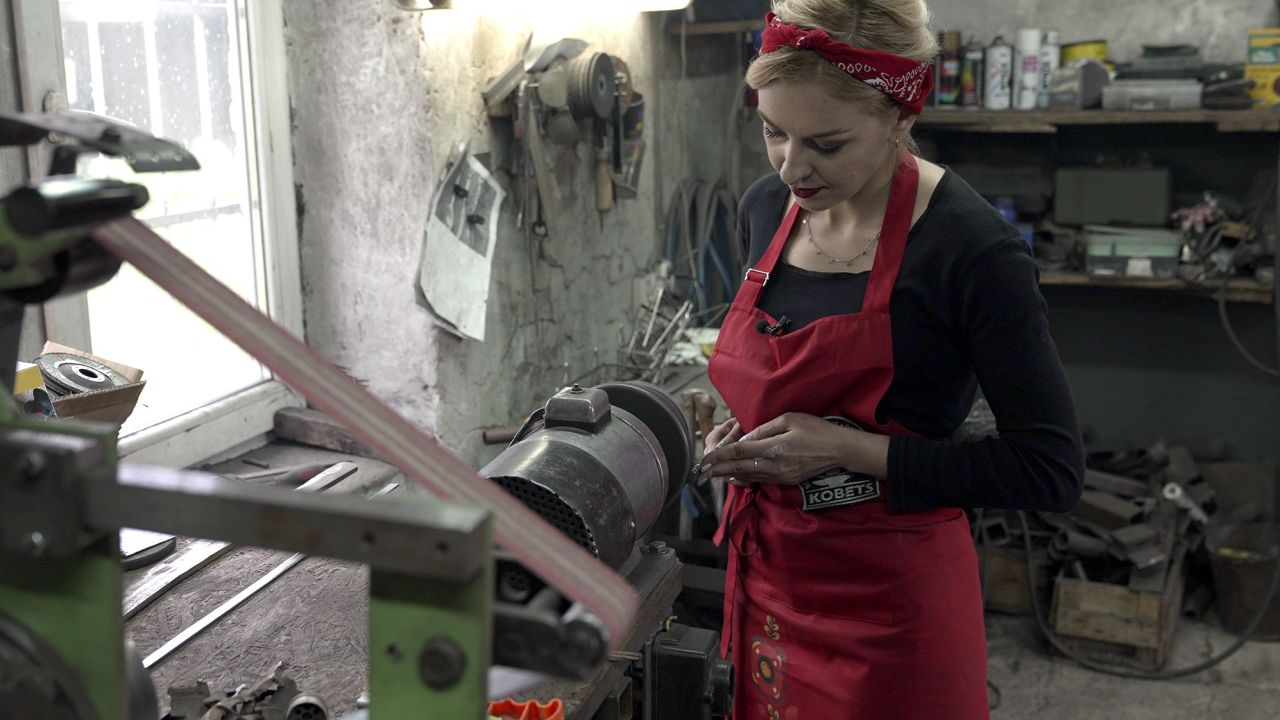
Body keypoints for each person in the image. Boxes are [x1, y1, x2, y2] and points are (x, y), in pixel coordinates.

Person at [693, 2, 1085, 718]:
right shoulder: (764, 211)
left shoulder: (970, 251)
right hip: (772, 583)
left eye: (828, 144)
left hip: (894, 610)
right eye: (773, 133)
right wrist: (747, 434)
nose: (793, 169)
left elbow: (1050, 470)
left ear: (901, 117)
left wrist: (848, 449)